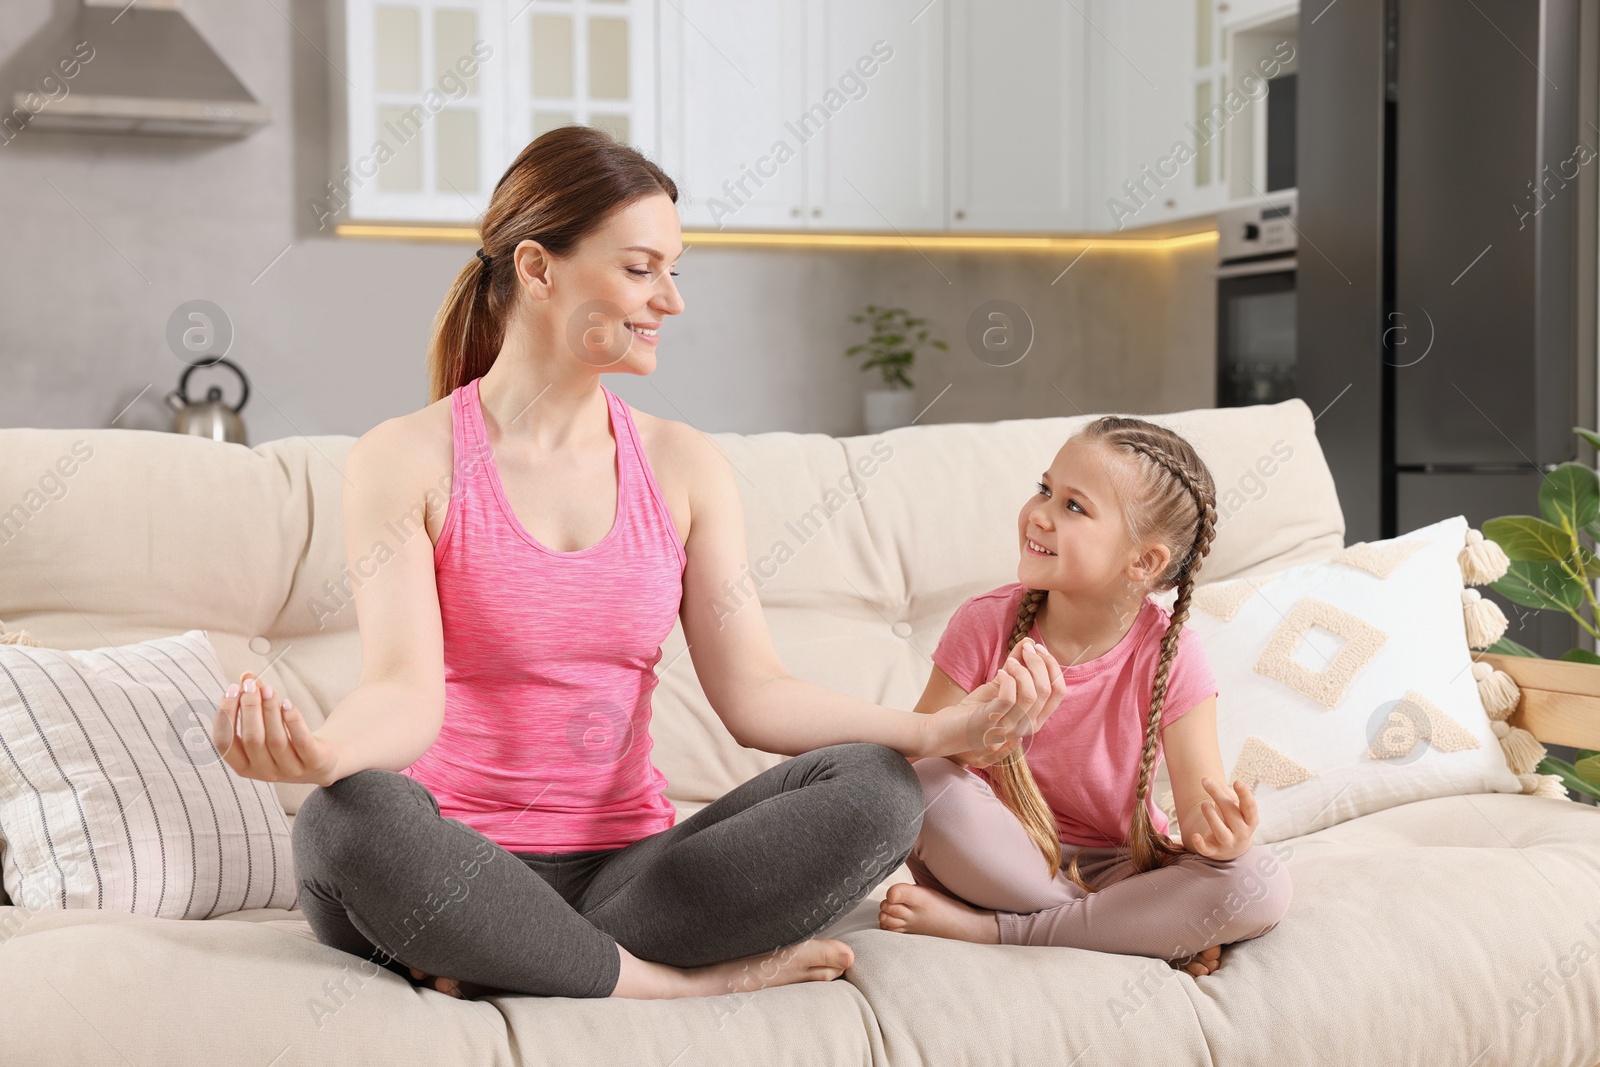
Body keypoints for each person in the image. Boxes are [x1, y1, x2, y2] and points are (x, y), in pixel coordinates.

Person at [208, 125, 1065, 1001]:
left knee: (879, 788)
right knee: (345, 820)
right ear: (538, 270)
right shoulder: (407, 458)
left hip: (631, 879)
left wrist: (935, 734)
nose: (672, 301)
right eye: (640, 268)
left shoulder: (682, 464)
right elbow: (403, 691)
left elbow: (754, 693)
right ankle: (669, 983)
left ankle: (526, 958)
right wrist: (322, 752)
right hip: (451, 864)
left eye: (674, 270)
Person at [877, 415, 1293, 977]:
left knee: (1260, 882)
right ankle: (1131, 932)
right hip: (1001, 857)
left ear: (1143, 562)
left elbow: (1198, 812)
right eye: (1045, 489)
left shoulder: (1173, 656)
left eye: (1074, 506)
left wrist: (1221, 837)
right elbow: (912, 759)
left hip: (1123, 868)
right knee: (919, 786)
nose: (1040, 514)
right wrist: (982, 736)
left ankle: (1003, 932)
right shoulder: (984, 625)